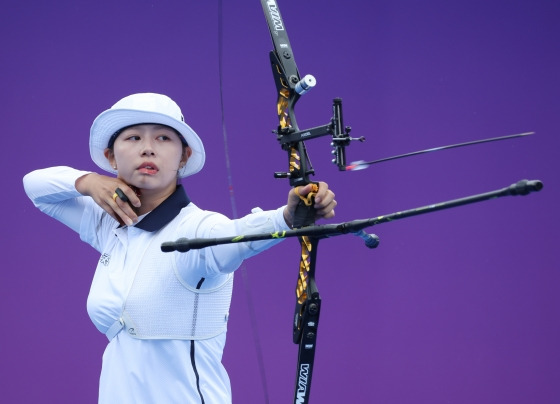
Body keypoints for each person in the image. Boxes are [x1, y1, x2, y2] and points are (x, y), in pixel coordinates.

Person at [22, 93, 337, 403]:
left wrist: (285, 218)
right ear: (111, 158)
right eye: (133, 138)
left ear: (183, 157)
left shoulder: (197, 229)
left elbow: (235, 235)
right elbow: (35, 186)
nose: (148, 148)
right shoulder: (109, 222)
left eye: (163, 138)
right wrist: (88, 181)